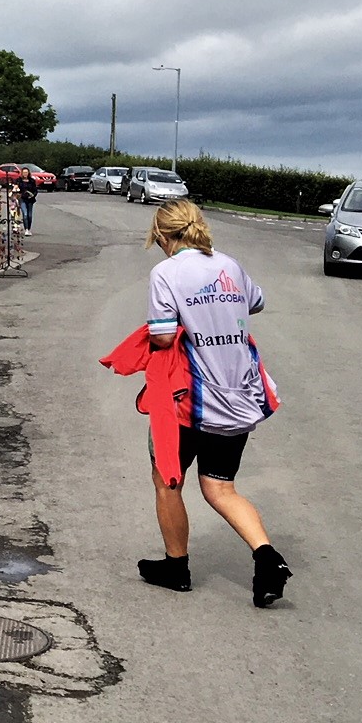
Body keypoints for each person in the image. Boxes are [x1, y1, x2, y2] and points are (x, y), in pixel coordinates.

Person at [135, 201, 290, 606]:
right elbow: (256, 302)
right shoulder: (230, 265)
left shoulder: (166, 273)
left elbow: (165, 336)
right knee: (220, 487)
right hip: (239, 397)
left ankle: (176, 567)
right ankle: (267, 559)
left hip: (191, 400)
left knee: (168, 478)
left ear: (162, 235)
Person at [18, 170, 39, 236]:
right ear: (22, 173)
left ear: (28, 173)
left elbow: (35, 190)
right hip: (22, 199)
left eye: (26, 172)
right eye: (24, 172)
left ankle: (29, 228)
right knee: (25, 214)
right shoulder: (19, 181)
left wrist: (33, 195)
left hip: (30, 200)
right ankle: (26, 229)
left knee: (30, 215)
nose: (25, 174)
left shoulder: (32, 181)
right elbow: (16, 189)